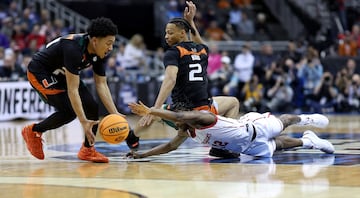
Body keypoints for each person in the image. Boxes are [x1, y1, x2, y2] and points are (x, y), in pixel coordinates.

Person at [21, 17, 137, 163]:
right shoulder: (73, 48)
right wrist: (83, 121)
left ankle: (88, 149)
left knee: (92, 106)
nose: (110, 48)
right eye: (108, 43)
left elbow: (101, 84)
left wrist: (115, 113)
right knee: (69, 111)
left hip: (62, 73)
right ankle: (34, 131)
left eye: (112, 44)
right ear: (95, 40)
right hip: (41, 72)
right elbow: (73, 90)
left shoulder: (99, 53)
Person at [133, 1, 240, 156]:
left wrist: (155, 109)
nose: (166, 36)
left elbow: (169, 80)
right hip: (205, 109)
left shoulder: (173, 52)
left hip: (184, 110)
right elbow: (198, 41)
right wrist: (191, 22)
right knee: (233, 102)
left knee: (154, 115)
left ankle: (131, 138)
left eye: (170, 32)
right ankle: (222, 145)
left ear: (182, 33)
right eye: (166, 32)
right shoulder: (203, 50)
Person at [127, 101, 334, 159]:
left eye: (177, 122)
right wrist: (143, 154)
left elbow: (180, 116)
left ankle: (307, 119)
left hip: (253, 127)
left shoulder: (203, 118)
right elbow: (170, 146)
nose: (176, 126)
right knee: (278, 146)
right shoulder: (185, 132)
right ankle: (309, 141)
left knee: (283, 122)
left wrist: (151, 111)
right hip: (247, 147)